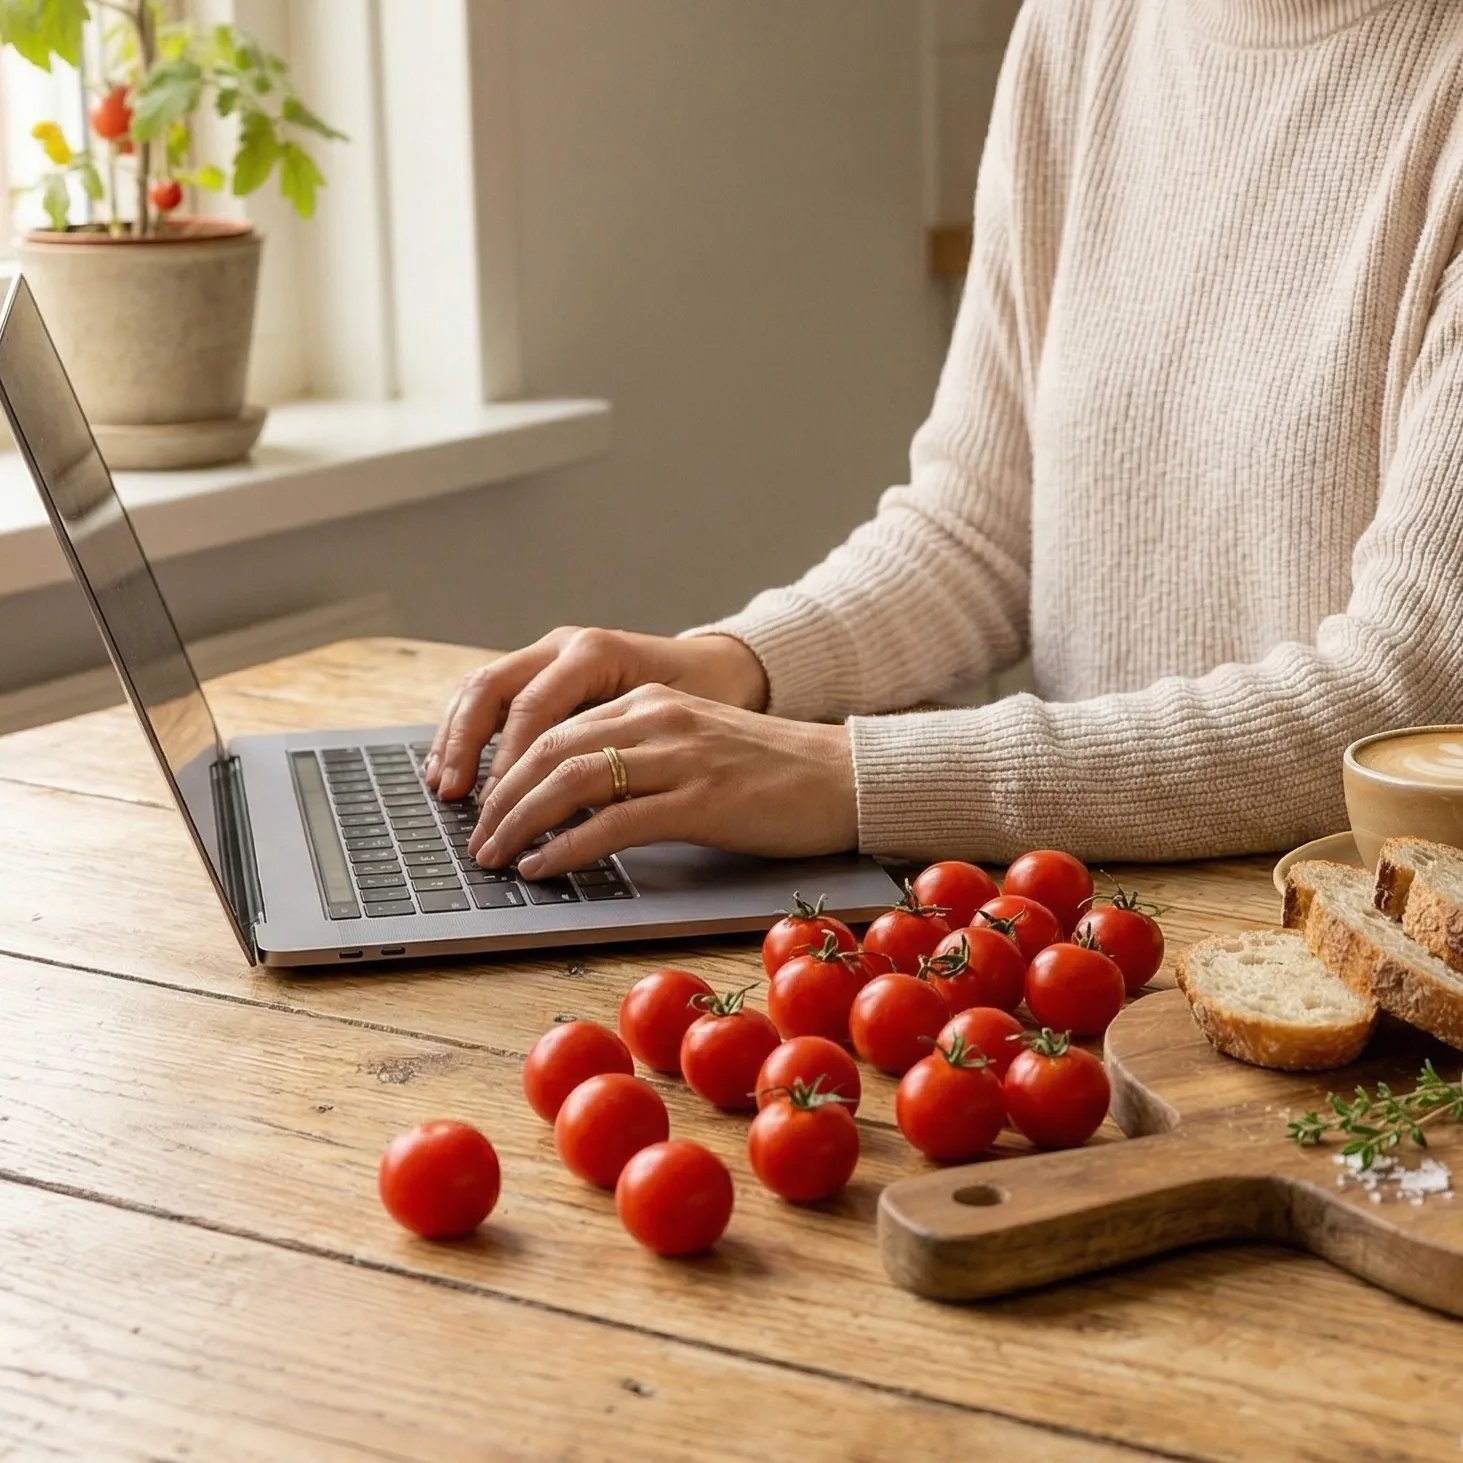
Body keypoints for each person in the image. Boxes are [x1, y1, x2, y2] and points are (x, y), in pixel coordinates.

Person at [427, 0, 1463, 885]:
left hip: (1334, 954)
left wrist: (849, 775)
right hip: (1064, 920)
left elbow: (1406, 693)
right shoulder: (1084, 24)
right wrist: (733, 664)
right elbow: (980, 525)